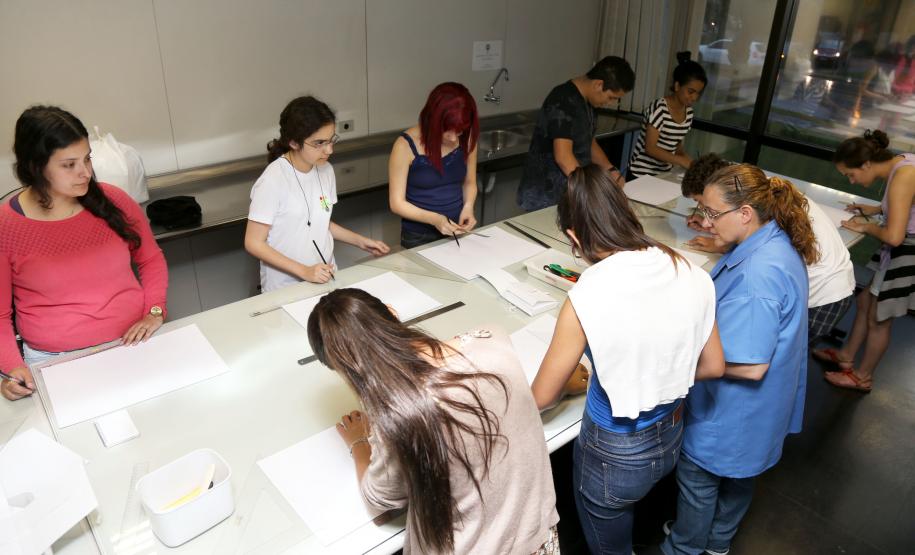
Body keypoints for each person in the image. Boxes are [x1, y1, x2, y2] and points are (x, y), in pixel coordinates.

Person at [530, 164, 725, 555]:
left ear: (574, 235)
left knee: (610, 545)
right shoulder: (687, 269)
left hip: (612, 452)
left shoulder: (589, 292)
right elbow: (714, 366)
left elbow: (541, 397)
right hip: (671, 434)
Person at [307, 288, 559, 554]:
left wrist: (359, 443)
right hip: (540, 540)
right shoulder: (493, 337)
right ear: (393, 313)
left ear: (344, 369)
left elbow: (379, 499)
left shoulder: (398, 416)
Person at [660, 164, 815, 555]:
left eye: (712, 213)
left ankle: (685, 547)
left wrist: (679, 366)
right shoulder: (774, 242)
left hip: (732, 411)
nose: (706, 222)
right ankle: (717, 542)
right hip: (761, 411)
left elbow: (751, 364)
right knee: (740, 478)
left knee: (697, 480)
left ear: (745, 213)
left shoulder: (756, 277)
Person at [0, 106, 168, 401]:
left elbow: (151, 259)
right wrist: (13, 369)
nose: (86, 172)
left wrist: (154, 311)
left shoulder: (114, 201)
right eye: (69, 164)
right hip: (55, 363)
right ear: (36, 166)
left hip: (134, 345)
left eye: (87, 158)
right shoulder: (7, 226)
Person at [682, 154, 855, 346]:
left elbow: (751, 362)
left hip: (823, 294)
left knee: (781, 353)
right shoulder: (766, 192)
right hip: (823, 284)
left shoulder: (761, 267)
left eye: (709, 209)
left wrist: (720, 244)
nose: (706, 218)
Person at [245, 96, 389, 293]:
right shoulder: (273, 180)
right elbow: (254, 243)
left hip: (324, 274)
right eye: (319, 143)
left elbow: (321, 221)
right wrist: (304, 271)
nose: (329, 149)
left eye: (331, 140)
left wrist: (361, 241)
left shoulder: (325, 170)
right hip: (285, 285)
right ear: (294, 142)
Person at [814, 130, 915, 392]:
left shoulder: (903, 174)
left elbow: (894, 237)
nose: (852, 181)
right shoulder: (901, 163)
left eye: (851, 174)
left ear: (867, 164)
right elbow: (905, 201)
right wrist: (877, 209)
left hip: (908, 250)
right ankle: (846, 356)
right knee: (865, 301)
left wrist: (865, 227)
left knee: (879, 317)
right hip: (904, 246)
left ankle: (862, 377)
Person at [517, 56, 635, 211]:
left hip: (572, 190)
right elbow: (563, 157)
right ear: (599, 85)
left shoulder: (589, 102)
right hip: (545, 195)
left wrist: (610, 169)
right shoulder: (563, 100)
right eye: (611, 97)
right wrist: (589, 189)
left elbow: (587, 141)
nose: (611, 103)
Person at [388, 82, 480, 248]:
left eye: (459, 131)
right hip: (418, 236)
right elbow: (396, 203)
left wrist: (468, 207)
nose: (453, 138)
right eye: (447, 130)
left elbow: (469, 182)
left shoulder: (468, 138)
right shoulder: (405, 145)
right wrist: (435, 219)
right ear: (433, 120)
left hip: (457, 229)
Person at [628, 52, 707, 179]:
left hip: (663, 174)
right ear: (677, 86)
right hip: (640, 174)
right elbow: (650, 148)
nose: (694, 97)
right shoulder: (659, 108)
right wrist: (680, 161)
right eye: (690, 91)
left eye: (698, 93)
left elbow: (676, 146)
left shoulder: (689, 113)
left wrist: (693, 164)